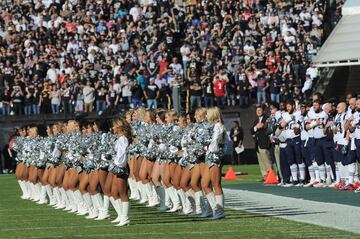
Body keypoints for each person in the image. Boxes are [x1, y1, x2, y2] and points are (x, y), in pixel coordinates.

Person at [251, 106, 272, 179]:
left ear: (263, 111)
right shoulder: (256, 120)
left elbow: (265, 128)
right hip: (257, 143)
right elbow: (251, 130)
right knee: (261, 161)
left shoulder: (266, 118)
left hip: (264, 142)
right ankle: (265, 176)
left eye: (260, 110)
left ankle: (271, 176)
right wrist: (256, 127)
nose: (258, 112)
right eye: (257, 110)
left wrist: (260, 127)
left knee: (267, 160)